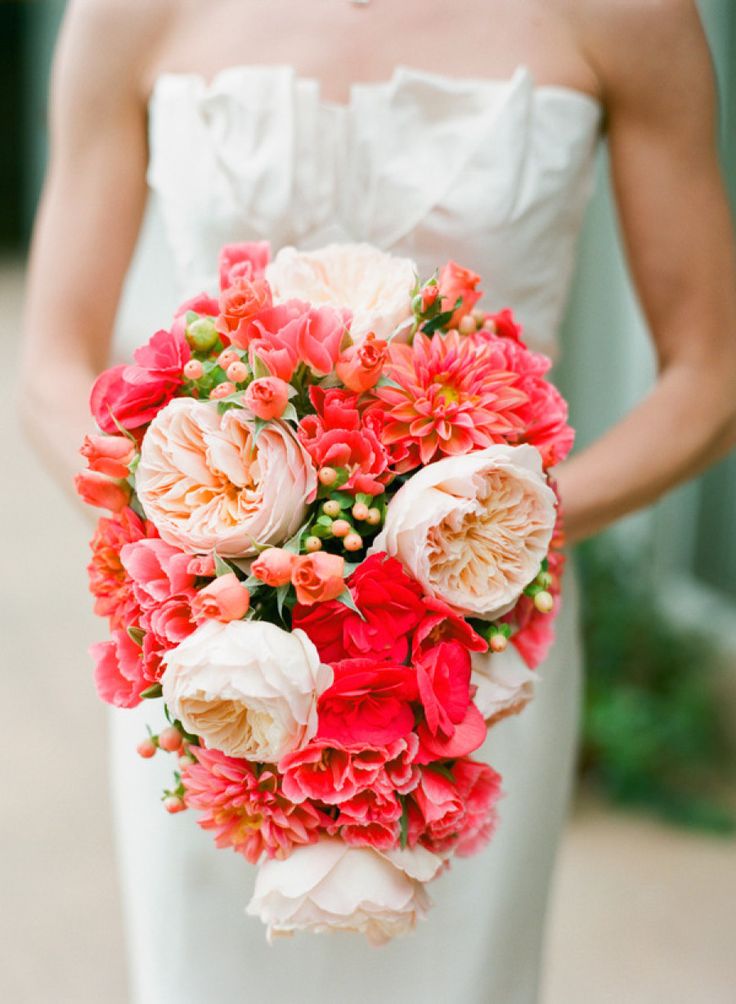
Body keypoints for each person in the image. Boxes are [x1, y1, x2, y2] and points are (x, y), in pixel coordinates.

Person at [20, 1, 736, 1002]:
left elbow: (710, 372)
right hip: (217, 642)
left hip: (478, 638)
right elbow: (52, 359)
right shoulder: (129, 14)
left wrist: (487, 527)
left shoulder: (628, 17)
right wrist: (179, 536)